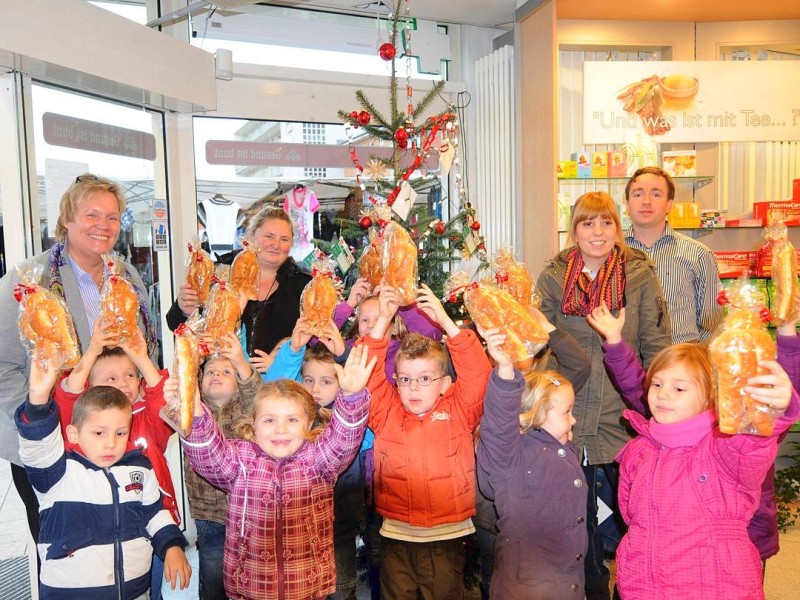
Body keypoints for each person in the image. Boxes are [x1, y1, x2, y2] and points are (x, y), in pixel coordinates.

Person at [0, 173, 156, 549]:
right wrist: (41, 421)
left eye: (113, 217)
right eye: (91, 215)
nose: (103, 226)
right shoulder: (28, 281)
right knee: (64, 549)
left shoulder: (128, 277)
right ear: (67, 218)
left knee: (125, 537)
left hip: (115, 437)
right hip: (53, 441)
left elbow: (141, 351)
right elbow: (4, 366)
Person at [590, 321, 799, 599]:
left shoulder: (723, 447)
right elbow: (631, 515)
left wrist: (772, 409)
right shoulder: (638, 450)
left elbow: (752, 441)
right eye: (657, 383)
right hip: (644, 584)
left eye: (679, 389)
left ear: (710, 396)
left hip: (714, 585)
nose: (663, 394)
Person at [535, 190, 671, 599]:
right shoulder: (553, 277)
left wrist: (661, 404)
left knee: (632, 523)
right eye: (588, 223)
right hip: (567, 419)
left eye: (607, 222)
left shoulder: (640, 275)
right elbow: (539, 345)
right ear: (574, 230)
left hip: (622, 420)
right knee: (578, 532)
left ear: (618, 227)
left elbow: (656, 343)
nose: (598, 232)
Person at [180, 345, 376, 600]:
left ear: (307, 423)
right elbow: (208, 457)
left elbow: (344, 439)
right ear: (254, 425)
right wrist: (195, 414)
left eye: (292, 420)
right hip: (250, 587)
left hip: (307, 586)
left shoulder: (318, 461)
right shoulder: (240, 461)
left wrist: (351, 395)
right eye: (269, 420)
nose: (280, 429)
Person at [358, 283, 492, 599]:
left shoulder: (458, 411)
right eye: (405, 379)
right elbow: (369, 375)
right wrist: (383, 321)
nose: (413, 388)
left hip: (447, 537)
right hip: (396, 536)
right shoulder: (387, 412)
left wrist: (446, 322)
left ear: (445, 383)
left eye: (424, 379)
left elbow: (477, 375)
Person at [18, 364, 191, 599]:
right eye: (99, 433)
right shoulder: (57, 471)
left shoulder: (140, 467)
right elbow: (37, 446)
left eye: (120, 433)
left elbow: (154, 513)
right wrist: (38, 398)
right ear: (73, 434)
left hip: (135, 591)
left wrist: (172, 545)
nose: (111, 443)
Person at [50, 326, 179, 599]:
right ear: (91, 389)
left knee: (149, 591)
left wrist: (142, 358)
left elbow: (165, 402)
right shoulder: (83, 431)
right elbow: (67, 400)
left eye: (130, 375)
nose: (123, 383)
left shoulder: (147, 421)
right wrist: (93, 351)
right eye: (111, 378)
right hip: (99, 535)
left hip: (152, 530)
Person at [473, 309, 592, 599]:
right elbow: (499, 424)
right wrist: (503, 370)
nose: (574, 420)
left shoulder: (561, 448)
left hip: (565, 581)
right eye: (567, 413)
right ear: (536, 415)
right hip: (527, 585)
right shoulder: (513, 456)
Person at [167, 206, 311, 370]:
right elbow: (176, 325)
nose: (276, 245)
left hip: (276, 386)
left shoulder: (302, 286)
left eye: (284, 239)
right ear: (250, 235)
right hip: (221, 382)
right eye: (269, 236)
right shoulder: (219, 273)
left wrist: (283, 360)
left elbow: (314, 343)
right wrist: (184, 310)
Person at [183, 331, 262, 600]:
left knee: (250, 576)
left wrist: (240, 362)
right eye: (210, 372)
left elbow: (256, 393)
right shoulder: (192, 410)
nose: (215, 374)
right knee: (213, 577)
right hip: (208, 516)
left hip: (248, 513)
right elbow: (180, 390)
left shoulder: (246, 409)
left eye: (225, 372)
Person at [624, 166, 723, 343]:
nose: (646, 201)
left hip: (680, 361)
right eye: (637, 194)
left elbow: (711, 321)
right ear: (627, 205)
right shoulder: (610, 253)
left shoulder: (698, 254)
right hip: (625, 363)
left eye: (656, 194)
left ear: (669, 204)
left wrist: (690, 357)